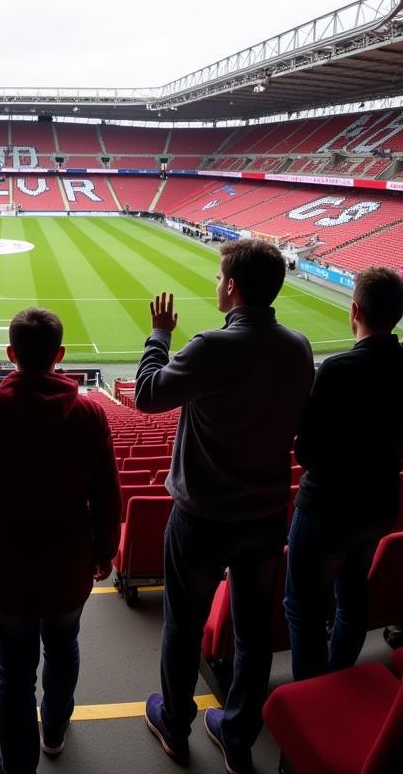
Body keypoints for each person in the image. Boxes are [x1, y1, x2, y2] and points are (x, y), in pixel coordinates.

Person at [134, 238, 314, 774]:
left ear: (232, 287)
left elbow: (146, 396)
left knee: (182, 625)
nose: (216, 285)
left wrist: (160, 336)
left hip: (201, 518)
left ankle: (176, 725)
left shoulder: (211, 347)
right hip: (263, 516)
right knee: (254, 630)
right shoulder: (299, 347)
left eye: (218, 279)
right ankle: (238, 737)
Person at [0, 308, 121, 774]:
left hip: (7, 565)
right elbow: (107, 495)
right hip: (68, 563)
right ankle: (53, 731)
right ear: (60, 355)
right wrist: (104, 550)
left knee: (14, 670)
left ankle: (19, 760)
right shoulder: (90, 414)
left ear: (10, 354)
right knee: (63, 647)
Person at [283, 268, 403, 681]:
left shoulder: (337, 370)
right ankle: (337, 676)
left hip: (329, 507)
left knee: (303, 608)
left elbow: (306, 451)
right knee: (351, 596)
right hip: (381, 502)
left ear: (354, 310)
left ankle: (312, 699)